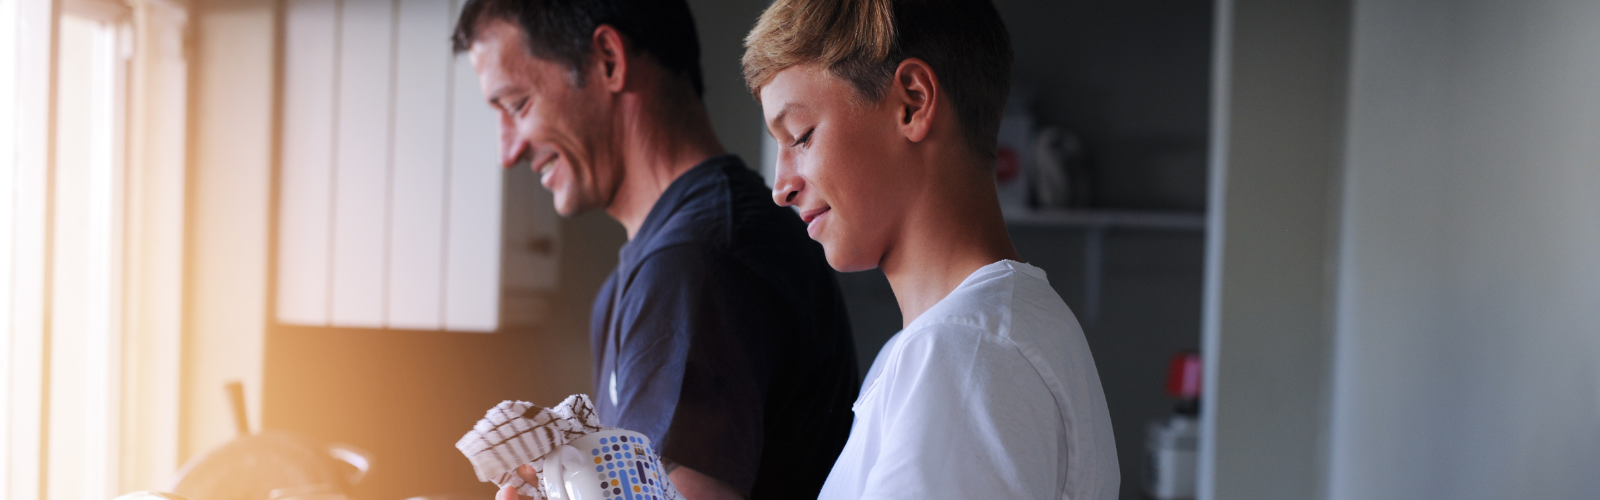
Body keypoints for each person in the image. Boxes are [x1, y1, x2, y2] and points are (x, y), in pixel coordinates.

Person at [450, 1, 859, 499]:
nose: (507, 151)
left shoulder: (692, 263)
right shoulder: (671, 260)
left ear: (608, 60)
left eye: (517, 105)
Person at [741, 0, 1121, 498]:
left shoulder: (962, 351)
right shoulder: (970, 338)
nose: (781, 187)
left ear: (913, 103)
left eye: (801, 136)